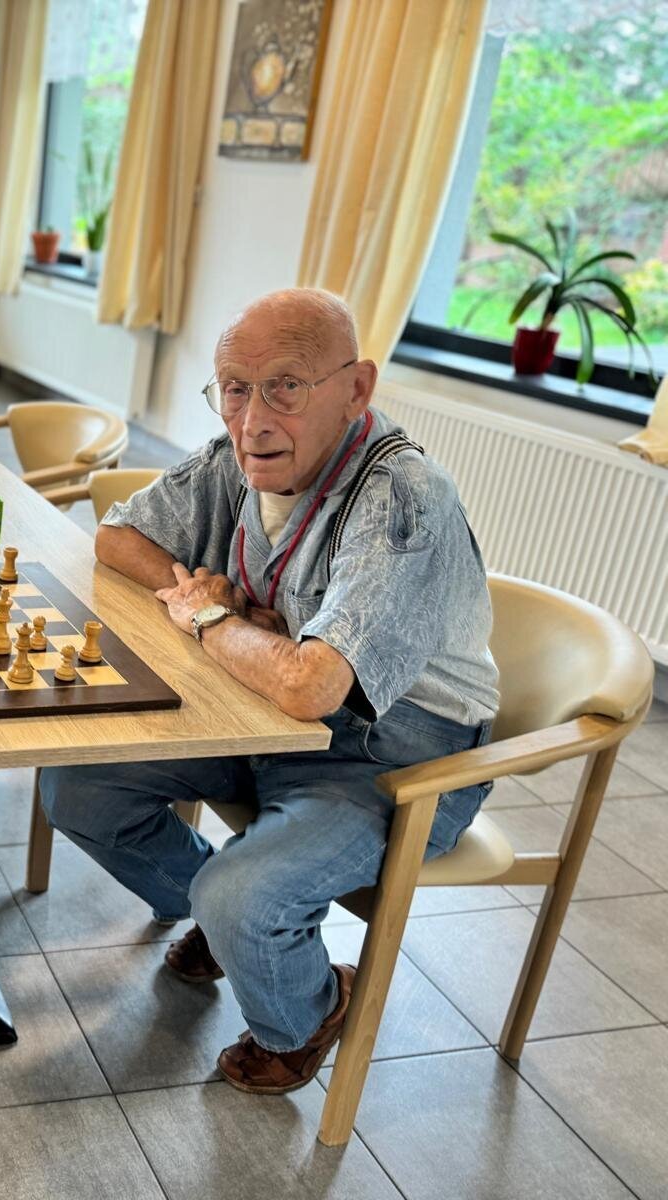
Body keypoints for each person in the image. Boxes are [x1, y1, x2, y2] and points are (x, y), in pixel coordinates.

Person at [39, 288, 499, 1094]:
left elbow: (311, 687)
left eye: (286, 385)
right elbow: (116, 536)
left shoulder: (402, 496)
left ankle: (306, 1010)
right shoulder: (242, 455)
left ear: (356, 388)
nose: (252, 419)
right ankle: (237, 927)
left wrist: (209, 619)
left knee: (241, 897)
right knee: (76, 785)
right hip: (262, 720)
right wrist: (200, 593)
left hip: (396, 759)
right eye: (234, 388)